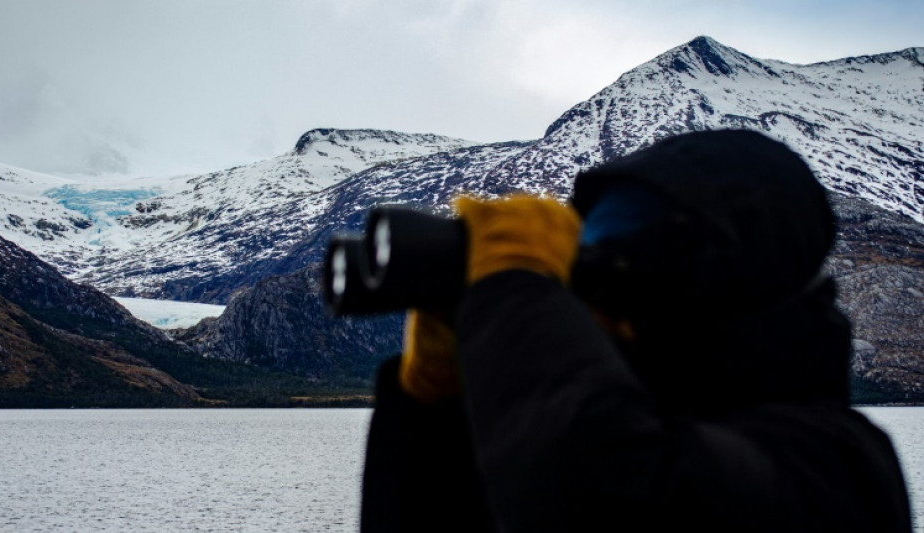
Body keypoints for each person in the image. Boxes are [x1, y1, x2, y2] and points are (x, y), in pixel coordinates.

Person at [360, 130, 912, 532]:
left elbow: (613, 499)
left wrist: (517, 291)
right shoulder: (622, 421)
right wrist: (439, 409)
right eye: (589, 234)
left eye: (628, 231)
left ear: (725, 264)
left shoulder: (839, 466)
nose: (596, 257)